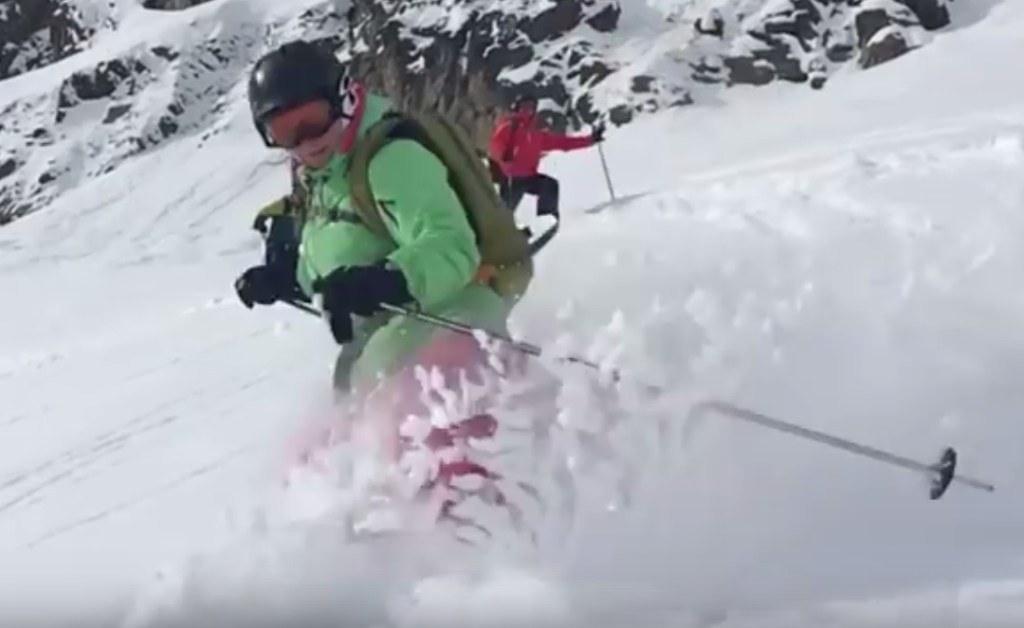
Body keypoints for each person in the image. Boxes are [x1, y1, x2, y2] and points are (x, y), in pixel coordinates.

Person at [233, 42, 540, 529]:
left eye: (312, 120)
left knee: (425, 449)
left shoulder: (392, 158)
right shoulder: (322, 173)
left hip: (452, 323)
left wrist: (388, 279)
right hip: (386, 348)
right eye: (284, 131)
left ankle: (494, 548)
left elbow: (450, 246)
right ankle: (330, 552)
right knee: (310, 464)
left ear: (342, 98)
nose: (305, 141)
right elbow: (342, 252)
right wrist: (286, 276)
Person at [487, 93, 604, 220]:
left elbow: (563, 143)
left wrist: (590, 140)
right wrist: (503, 157)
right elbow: (495, 145)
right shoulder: (508, 126)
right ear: (516, 108)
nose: (528, 110)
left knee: (549, 185)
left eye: (532, 107)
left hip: (529, 177)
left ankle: (545, 221)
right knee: (504, 213)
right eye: (524, 106)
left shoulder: (535, 134)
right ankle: (496, 227)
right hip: (511, 178)